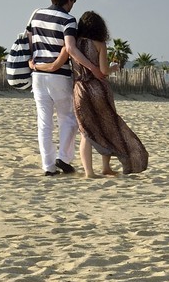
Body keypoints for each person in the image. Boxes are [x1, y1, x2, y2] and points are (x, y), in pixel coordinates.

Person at [35, 11, 147, 176]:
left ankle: (89, 172)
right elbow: (102, 71)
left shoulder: (71, 45)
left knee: (86, 131)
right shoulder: (99, 44)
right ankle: (106, 167)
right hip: (98, 89)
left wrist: (35, 66)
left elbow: (55, 65)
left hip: (80, 90)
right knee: (106, 125)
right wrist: (113, 68)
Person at [28, 0, 83, 176]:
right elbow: (69, 48)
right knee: (68, 118)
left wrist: (33, 59)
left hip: (38, 74)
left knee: (44, 122)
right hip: (58, 76)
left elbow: (29, 36)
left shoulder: (36, 14)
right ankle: (64, 158)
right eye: (73, 1)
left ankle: (48, 167)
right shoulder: (69, 20)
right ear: (69, 0)